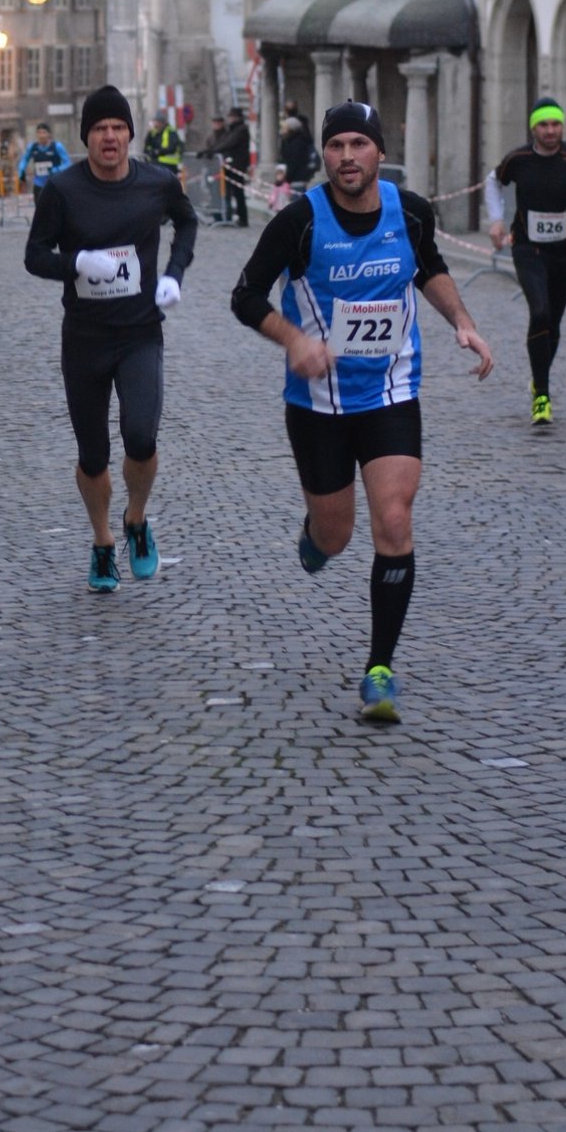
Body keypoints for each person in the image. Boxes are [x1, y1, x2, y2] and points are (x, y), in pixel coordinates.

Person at [231, 100, 493, 727]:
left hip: (391, 392)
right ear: (325, 154)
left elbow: (429, 266)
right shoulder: (299, 222)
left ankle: (380, 669)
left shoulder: (411, 212)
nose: (347, 157)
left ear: (380, 151)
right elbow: (245, 296)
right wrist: (294, 341)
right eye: (336, 146)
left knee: (395, 520)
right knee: (337, 535)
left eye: (359, 144)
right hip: (318, 402)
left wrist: (461, 321)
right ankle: (316, 536)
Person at [25, 85, 198, 591]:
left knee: (141, 439)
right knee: (93, 453)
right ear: (87, 137)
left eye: (118, 128)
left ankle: (136, 519)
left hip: (140, 333)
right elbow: (34, 256)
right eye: (100, 128)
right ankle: (102, 542)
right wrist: (76, 262)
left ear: (129, 135)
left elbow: (187, 222)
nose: (109, 137)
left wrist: (174, 274)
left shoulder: (157, 183)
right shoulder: (63, 190)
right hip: (84, 338)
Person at [485, 97, 566, 428]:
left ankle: (538, 377)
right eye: (543, 124)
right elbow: (493, 181)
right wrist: (496, 220)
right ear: (534, 128)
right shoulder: (519, 159)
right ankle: (542, 396)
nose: (550, 131)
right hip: (527, 249)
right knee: (540, 312)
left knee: (552, 324)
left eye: (556, 124)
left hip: (564, 253)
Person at [218, 107, 252, 227]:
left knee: (238, 193)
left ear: (237, 117)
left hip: (238, 165)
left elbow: (229, 143)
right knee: (229, 192)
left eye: (232, 116)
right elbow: (224, 142)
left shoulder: (241, 129)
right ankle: (230, 216)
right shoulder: (232, 129)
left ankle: (243, 218)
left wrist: (212, 151)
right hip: (231, 164)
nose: (230, 119)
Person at [18, 125, 70, 192]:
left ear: (49, 134)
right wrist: (21, 171)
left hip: (54, 183)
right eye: (39, 132)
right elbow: (24, 160)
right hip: (38, 184)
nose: (42, 135)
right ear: (36, 134)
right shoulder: (32, 147)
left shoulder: (57, 146)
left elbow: (67, 163)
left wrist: (56, 169)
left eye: (44, 132)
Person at [279, 105, 316, 190]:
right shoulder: (292, 141)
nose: (282, 131)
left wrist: (286, 178)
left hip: (297, 180)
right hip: (296, 180)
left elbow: (292, 163)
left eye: (284, 129)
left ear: (291, 129)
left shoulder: (296, 144)